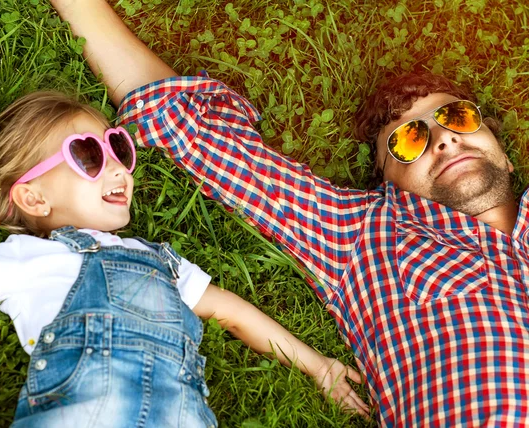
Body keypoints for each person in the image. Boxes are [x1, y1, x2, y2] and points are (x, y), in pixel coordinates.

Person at [49, 0, 529, 426]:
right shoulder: (364, 235)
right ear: (386, 181)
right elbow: (189, 127)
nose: (444, 139)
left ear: (504, 152)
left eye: (457, 118)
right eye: (410, 139)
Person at [0, 90, 370, 426]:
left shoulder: (159, 259)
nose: (120, 169)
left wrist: (318, 365)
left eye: (118, 149)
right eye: (89, 156)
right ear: (33, 197)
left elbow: (230, 310)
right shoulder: (27, 259)